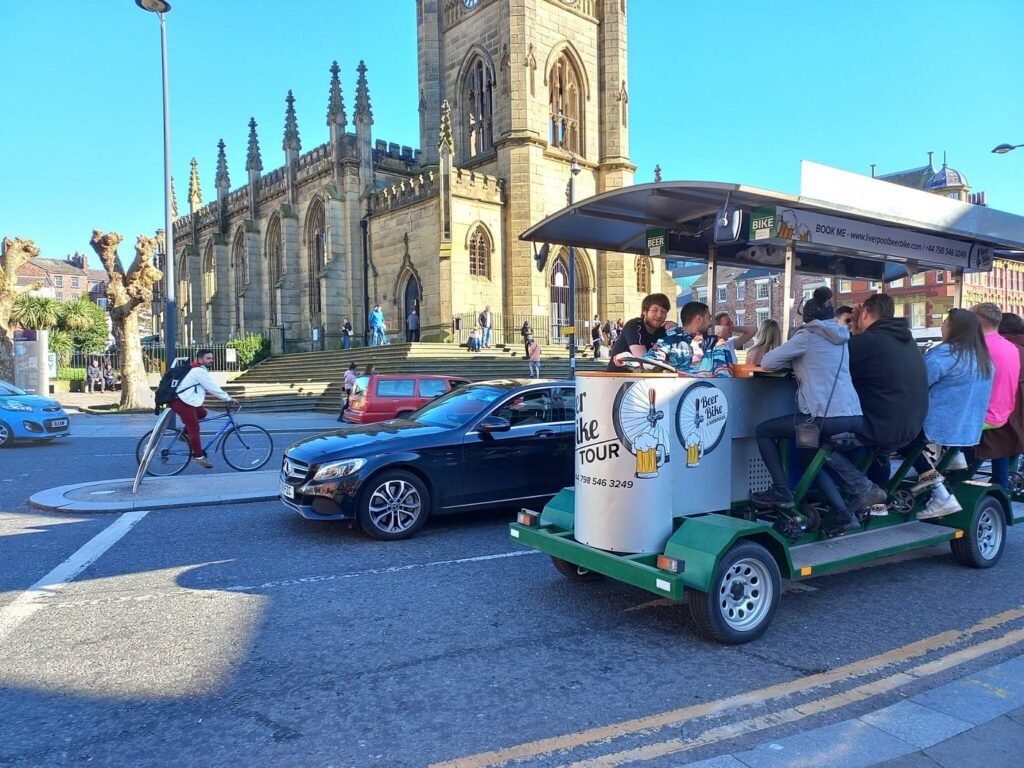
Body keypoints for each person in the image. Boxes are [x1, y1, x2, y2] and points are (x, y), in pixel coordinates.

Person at [751, 287, 885, 531]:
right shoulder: (843, 337)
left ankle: (781, 490)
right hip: (852, 415)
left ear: (808, 317)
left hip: (822, 419)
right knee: (809, 456)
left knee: (764, 430)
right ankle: (845, 515)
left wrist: (793, 360)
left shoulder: (807, 336)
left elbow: (768, 362)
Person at [909, 309, 994, 517]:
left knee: (898, 437)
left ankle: (941, 495)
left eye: (946, 322)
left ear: (955, 328)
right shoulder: (983, 359)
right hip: (967, 428)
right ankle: (952, 456)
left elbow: (917, 384)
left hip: (937, 426)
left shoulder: (944, 355)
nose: (942, 325)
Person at [847, 293, 928, 486]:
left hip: (882, 426)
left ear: (865, 313)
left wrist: (856, 334)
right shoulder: (908, 342)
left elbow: (835, 370)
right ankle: (877, 499)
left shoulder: (868, 343)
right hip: (912, 425)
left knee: (815, 438)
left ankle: (862, 490)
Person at [971, 302, 1021, 490]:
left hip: (982, 417)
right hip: (1004, 413)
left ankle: (939, 482)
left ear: (976, 321)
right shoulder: (1011, 348)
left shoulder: (979, 347)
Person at [168, 349, 239, 469]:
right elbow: (212, 387)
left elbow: (206, 387)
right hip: (180, 401)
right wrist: (228, 398)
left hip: (186, 400)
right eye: (208, 358)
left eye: (211, 358)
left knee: (202, 413)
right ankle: (198, 457)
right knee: (194, 427)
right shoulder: (198, 371)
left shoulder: (197, 369)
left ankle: (183, 434)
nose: (211, 360)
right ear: (200, 359)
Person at [642, 301, 733, 377]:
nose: (711, 323)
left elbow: (724, 375)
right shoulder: (716, 343)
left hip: (707, 397)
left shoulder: (666, 342)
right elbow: (646, 363)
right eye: (709, 318)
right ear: (698, 319)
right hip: (678, 395)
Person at [607, 293, 671, 371]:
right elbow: (645, 362)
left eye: (663, 311)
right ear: (644, 311)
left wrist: (675, 330)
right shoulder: (635, 326)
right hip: (620, 379)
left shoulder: (663, 330)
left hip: (648, 380)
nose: (659, 315)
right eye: (655, 310)